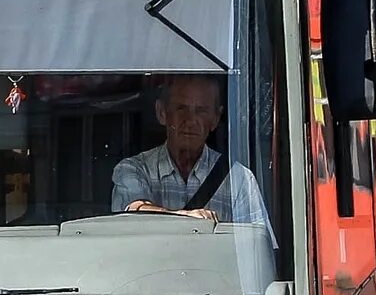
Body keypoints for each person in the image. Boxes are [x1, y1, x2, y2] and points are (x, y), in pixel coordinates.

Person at [110, 76, 269, 226]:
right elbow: (133, 212)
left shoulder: (240, 179)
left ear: (215, 119)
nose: (191, 120)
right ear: (162, 113)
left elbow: (257, 246)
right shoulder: (134, 169)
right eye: (181, 108)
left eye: (201, 110)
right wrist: (188, 219)